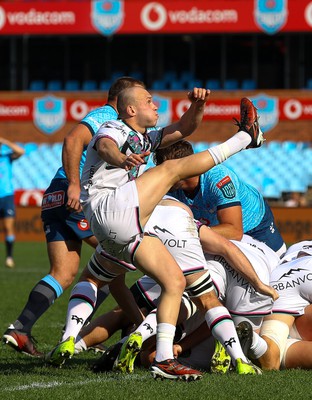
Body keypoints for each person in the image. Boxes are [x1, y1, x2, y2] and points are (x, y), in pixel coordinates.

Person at [46, 91, 269, 380]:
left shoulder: (144, 138)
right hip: (111, 205)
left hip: (117, 227)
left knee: (172, 281)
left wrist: (198, 105)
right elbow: (103, 146)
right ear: (129, 109)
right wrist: (122, 158)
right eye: (148, 101)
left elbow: (184, 129)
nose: (155, 105)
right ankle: (245, 138)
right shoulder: (115, 127)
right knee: (172, 169)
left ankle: (151, 356)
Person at [2, 77, 145, 357]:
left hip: (56, 194)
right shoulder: (107, 116)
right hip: (75, 196)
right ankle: (90, 331)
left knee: (64, 273)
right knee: (114, 261)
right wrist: (75, 185)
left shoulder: (119, 127)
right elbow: (72, 139)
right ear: (123, 99)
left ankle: (21, 328)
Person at [153, 140, 286, 258]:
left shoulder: (218, 178)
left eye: (166, 169)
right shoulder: (171, 186)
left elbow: (234, 231)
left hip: (254, 225)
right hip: (213, 228)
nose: (161, 175)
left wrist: (185, 232)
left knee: (276, 267)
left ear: (183, 167)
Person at [237, 241, 312, 370]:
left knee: (271, 358)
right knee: (270, 361)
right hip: (296, 275)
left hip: (280, 278)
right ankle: (253, 341)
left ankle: (258, 342)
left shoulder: (300, 244)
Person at [0, 137, 25, 268]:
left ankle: (9, 257)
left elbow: (21, 151)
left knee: (8, 228)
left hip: (6, 196)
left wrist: (4, 141)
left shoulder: (6, 156)